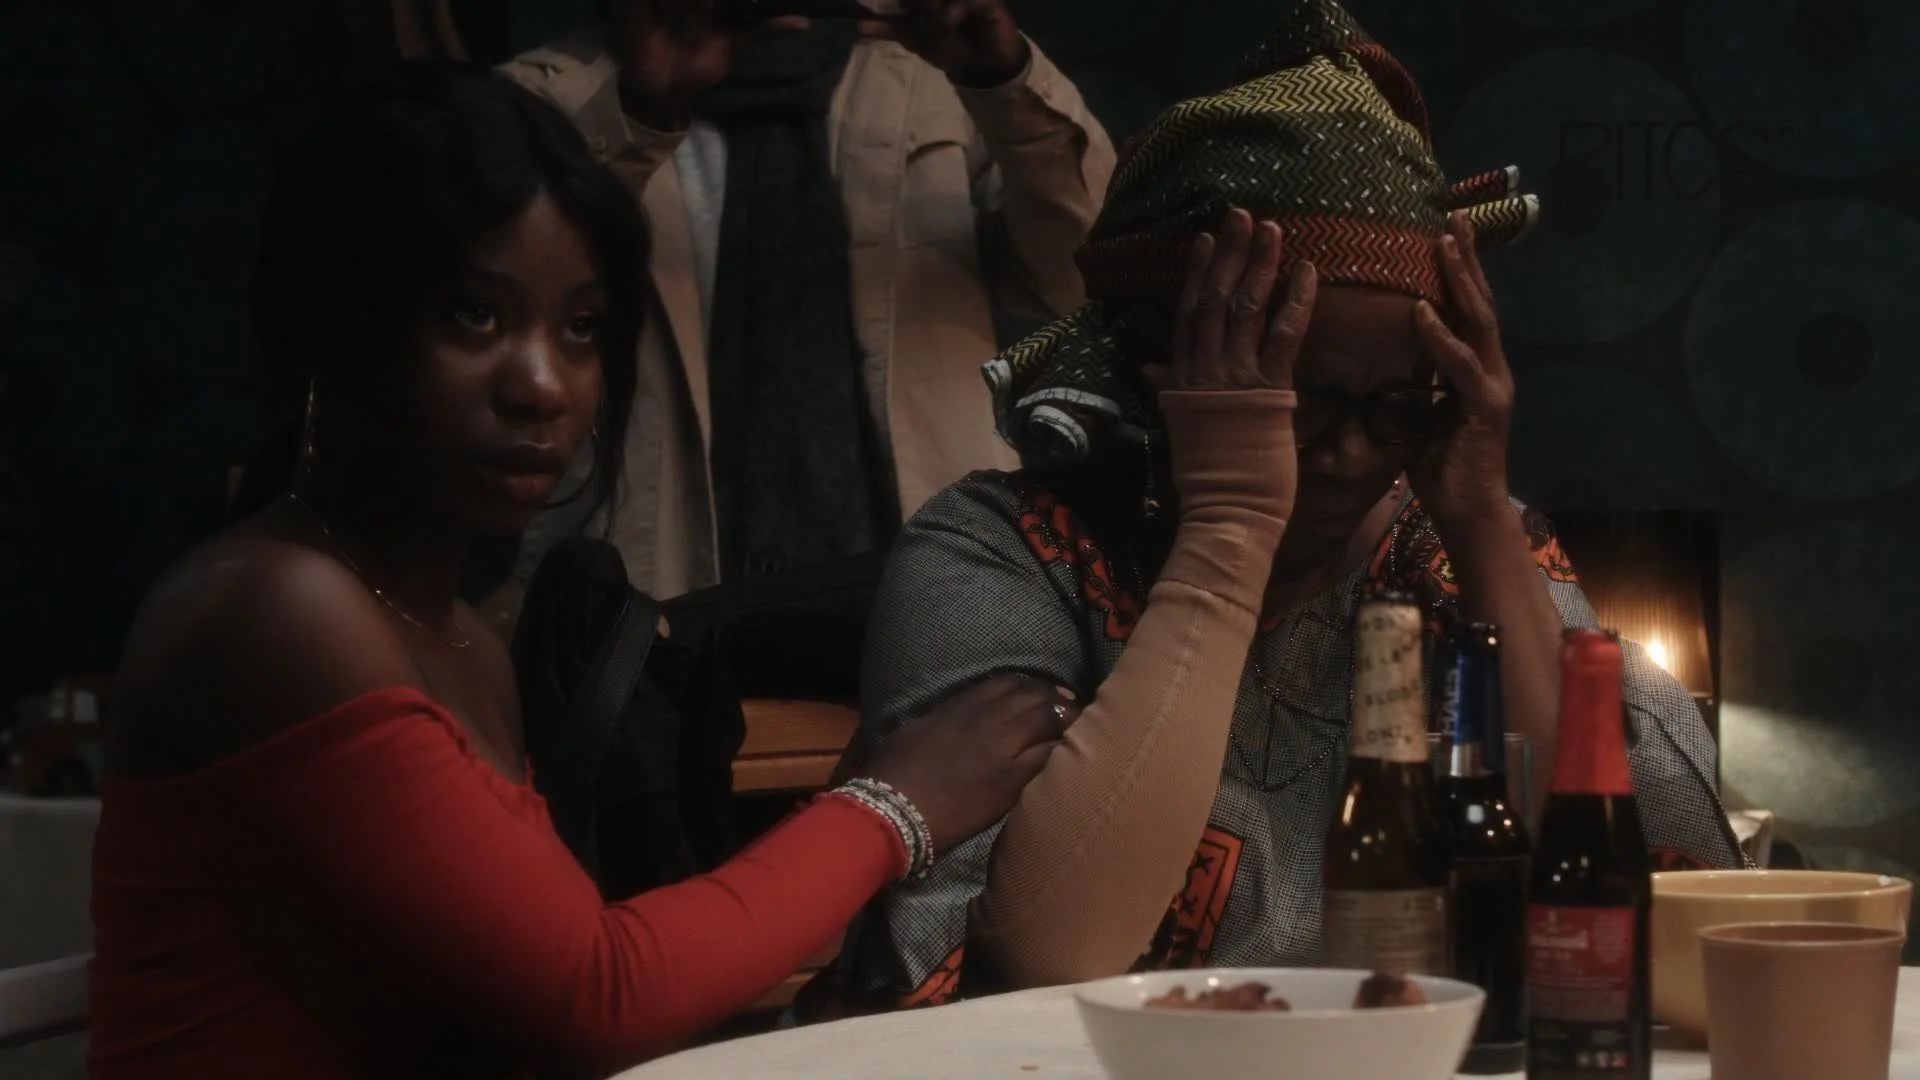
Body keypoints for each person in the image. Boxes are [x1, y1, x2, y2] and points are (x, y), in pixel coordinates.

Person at [89, 62, 1072, 1079]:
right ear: (320, 329)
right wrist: (896, 803)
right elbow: (598, 996)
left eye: (582, 329)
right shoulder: (280, 610)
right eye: (475, 317)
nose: (542, 387)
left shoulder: (461, 637)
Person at [806, 0, 1745, 1015]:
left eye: (1395, 406)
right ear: (1156, 365)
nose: (1350, 452)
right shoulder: (998, 553)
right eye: (1296, 396)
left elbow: (1626, 886)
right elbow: (1052, 950)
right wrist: (1229, 530)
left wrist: (1477, 517)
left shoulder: (1444, 549)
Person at [487, 0, 1117, 612]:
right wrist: (637, 113)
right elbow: (498, 309)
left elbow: (1087, 276)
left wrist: (1004, 82)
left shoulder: (937, 83)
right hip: (651, 609)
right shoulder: (543, 101)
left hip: (937, 599)